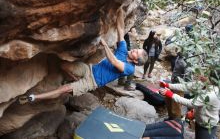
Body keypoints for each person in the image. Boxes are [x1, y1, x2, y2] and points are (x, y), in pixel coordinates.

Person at [19, 8, 148, 103]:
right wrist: (120, 9)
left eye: (137, 52)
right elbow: (120, 29)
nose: (134, 50)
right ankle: (74, 79)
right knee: (63, 65)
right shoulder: (124, 49)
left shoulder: (130, 68)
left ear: (136, 61)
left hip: (92, 82)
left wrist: (105, 45)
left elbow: (114, 61)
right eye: (137, 49)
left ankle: (33, 98)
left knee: (63, 89)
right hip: (89, 69)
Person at [159, 69, 220, 139]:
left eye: (205, 75)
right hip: (200, 119)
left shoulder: (211, 94)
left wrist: (171, 95)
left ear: (211, 79)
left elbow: (190, 103)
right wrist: (168, 85)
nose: (201, 76)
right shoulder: (203, 83)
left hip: (207, 125)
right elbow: (186, 86)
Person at [165, 52, 187, 120]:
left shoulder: (185, 62)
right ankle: (170, 118)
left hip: (179, 86)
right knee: (169, 101)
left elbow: (188, 77)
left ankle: (176, 121)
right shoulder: (178, 57)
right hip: (173, 83)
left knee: (176, 106)